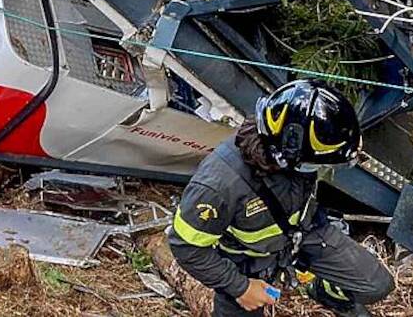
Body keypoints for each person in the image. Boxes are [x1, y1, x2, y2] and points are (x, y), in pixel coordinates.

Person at [169, 80, 394, 317]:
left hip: (304, 233)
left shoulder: (293, 144)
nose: (322, 168)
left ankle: (326, 292)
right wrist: (239, 287)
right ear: (288, 156)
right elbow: (186, 247)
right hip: (246, 261)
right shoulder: (218, 186)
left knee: (376, 285)